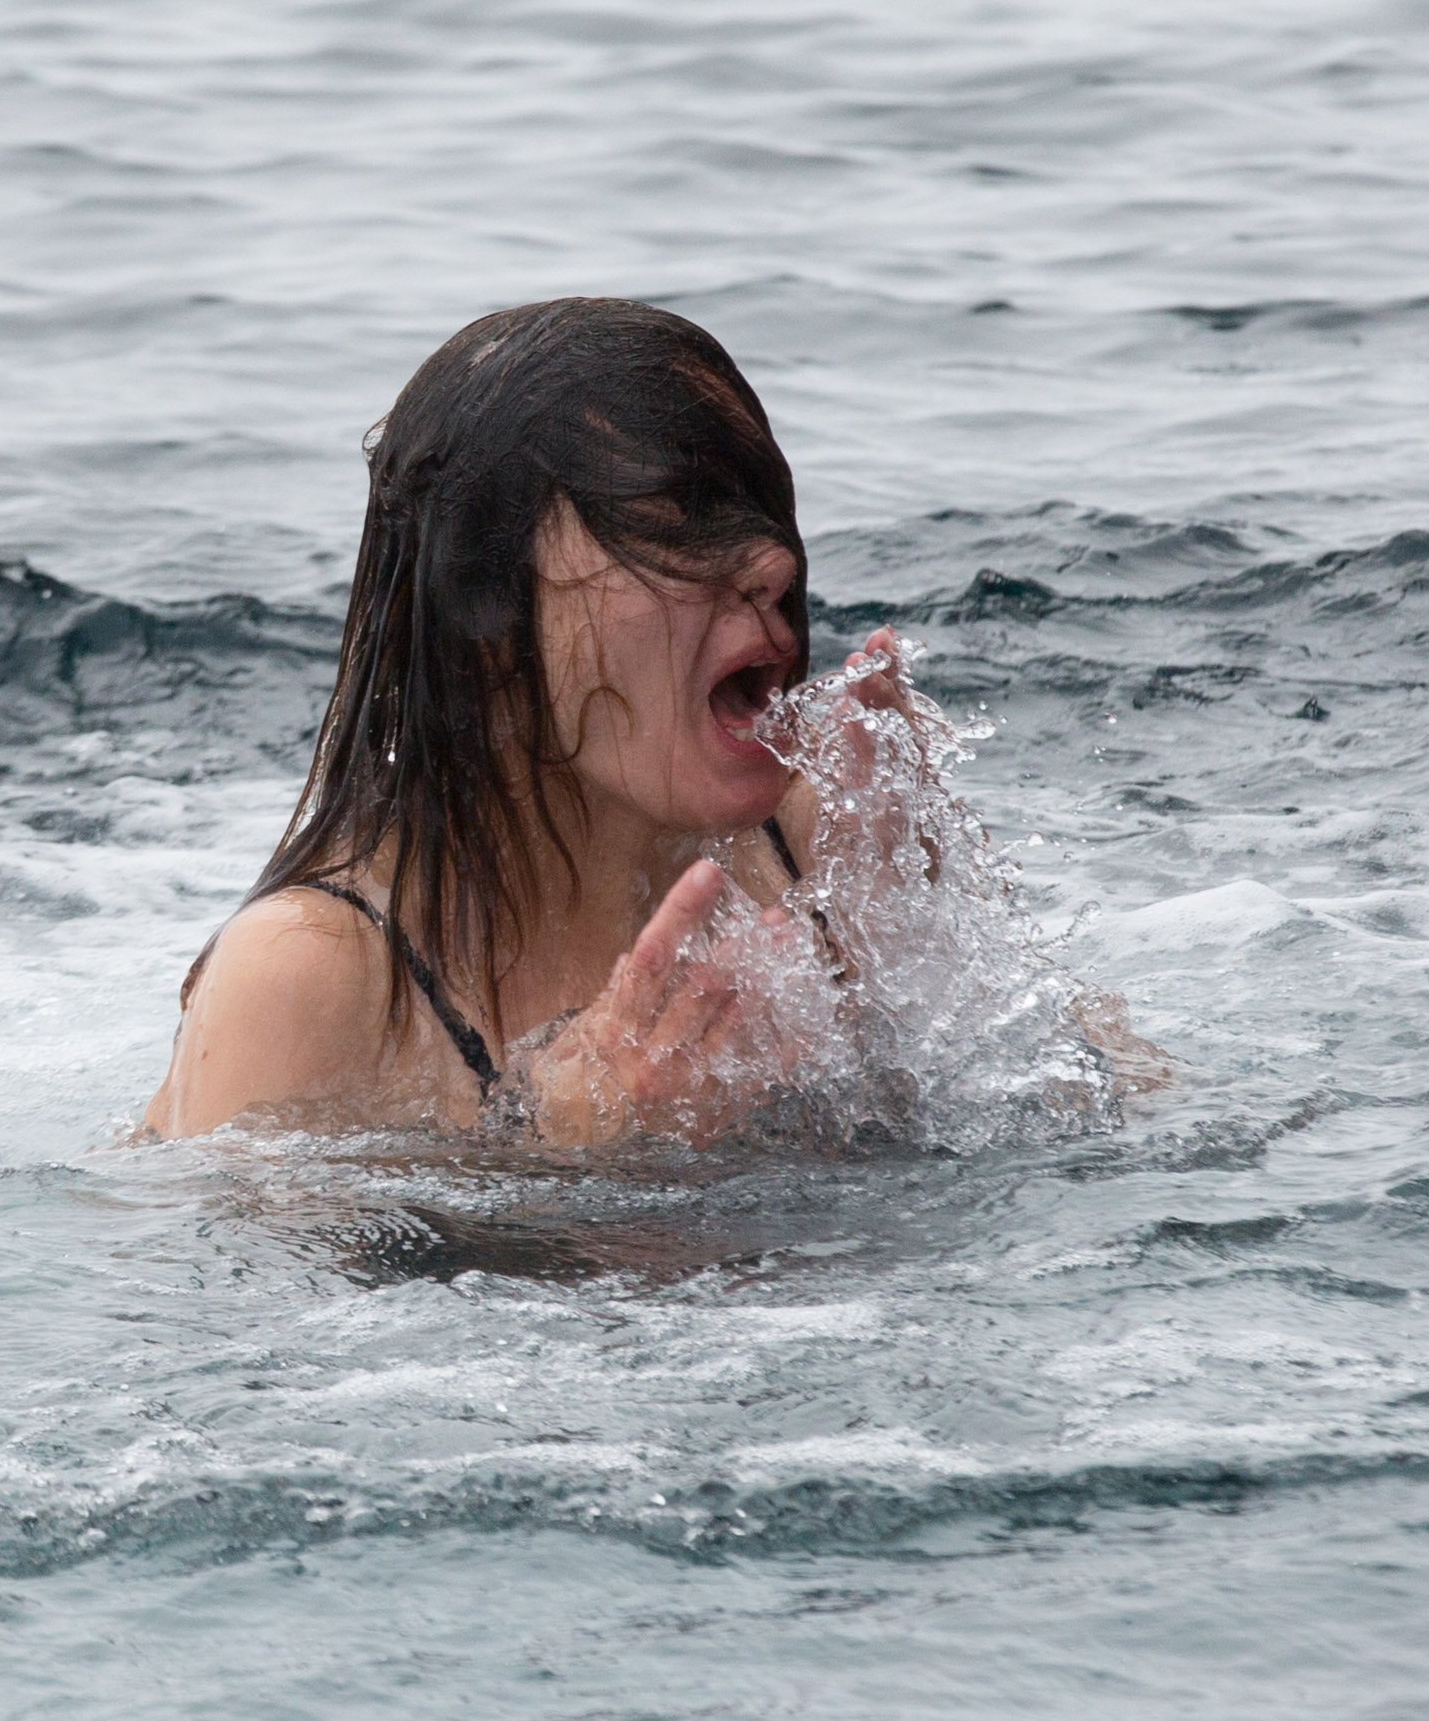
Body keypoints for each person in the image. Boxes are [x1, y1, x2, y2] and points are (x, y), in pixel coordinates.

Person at [142, 297, 926, 1145]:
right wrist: (568, 1150)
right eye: (668, 526)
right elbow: (192, 1233)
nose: (771, 564)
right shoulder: (306, 982)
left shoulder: (829, 837)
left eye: (757, 506)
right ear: (489, 616)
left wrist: (912, 937)